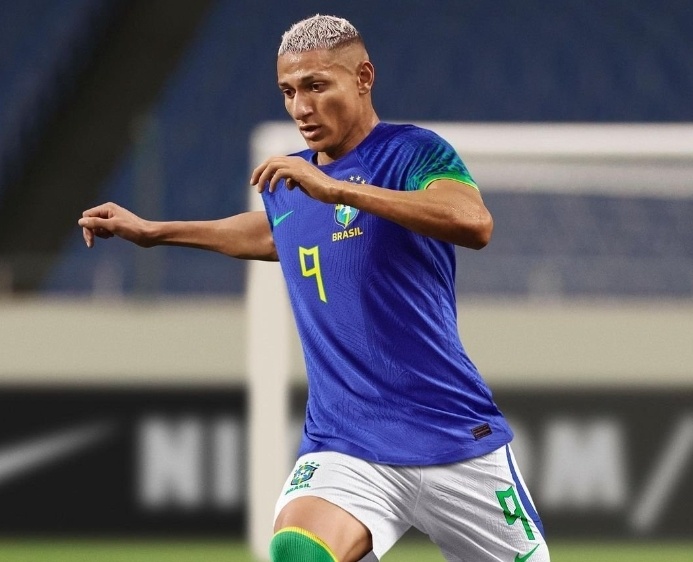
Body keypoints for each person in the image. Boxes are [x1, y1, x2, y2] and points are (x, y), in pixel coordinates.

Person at [79, 14, 549, 562]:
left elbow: (473, 222)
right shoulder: (292, 183)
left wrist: (340, 191)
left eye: (316, 86)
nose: (300, 107)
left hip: (455, 436)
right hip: (347, 441)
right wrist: (155, 232)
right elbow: (275, 232)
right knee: (298, 551)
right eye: (288, 91)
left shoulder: (412, 152)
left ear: (363, 78)